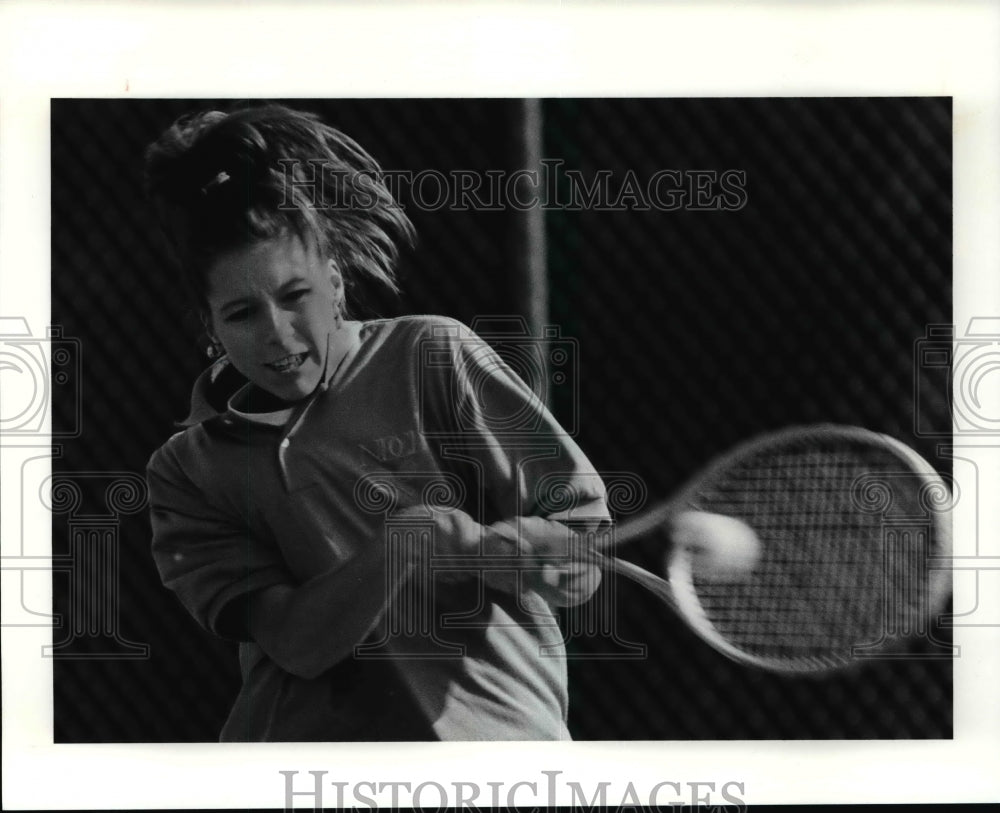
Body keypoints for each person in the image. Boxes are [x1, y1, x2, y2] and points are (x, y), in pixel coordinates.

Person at [144, 104, 609, 741]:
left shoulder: (434, 355)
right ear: (210, 325)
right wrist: (405, 540)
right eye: (242, 313)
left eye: (294, 295)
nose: (277, 334)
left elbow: (577, 558)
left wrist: (544, 558)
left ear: (335, 284)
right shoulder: (187, 470)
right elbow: (297, 644)